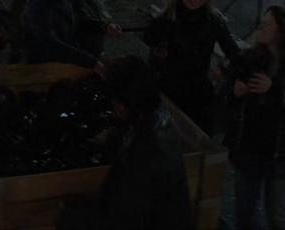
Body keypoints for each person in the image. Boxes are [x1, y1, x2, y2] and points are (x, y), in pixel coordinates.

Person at [57, 56, 192, 230]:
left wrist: (71, 216)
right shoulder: (157, 118)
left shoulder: (144, 155)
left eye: (116, 102)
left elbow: (123, 218)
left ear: (122, 105)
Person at [223, 6, 285, 230]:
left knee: (278, 216)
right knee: (245, 214)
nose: (261, 25)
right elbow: (225, 98)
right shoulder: (247, 60)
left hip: (283, 155)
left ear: (283, 32)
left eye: (269, 23)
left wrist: (273, 90)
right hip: (249, 151)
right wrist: (233, 91)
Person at [145, 0, 240, 135]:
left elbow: (234, 52)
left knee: (197, 136)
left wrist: (222, 69)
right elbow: (150, 40)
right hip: (168, 87)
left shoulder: (213, 20)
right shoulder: (167, 18)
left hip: (198, 88)